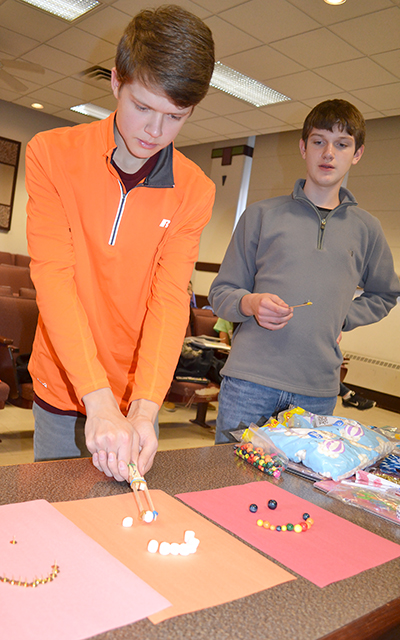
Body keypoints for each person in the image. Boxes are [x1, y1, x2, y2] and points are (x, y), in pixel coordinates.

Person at [25, 5, 215, 480]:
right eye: (142, 107)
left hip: (138, 394)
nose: (155, 131)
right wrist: (97, 399)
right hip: (63, 384)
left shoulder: (195, 191)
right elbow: (54, 279)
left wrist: (145, 408)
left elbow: (169, 301)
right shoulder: (51, 154)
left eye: (175, 117)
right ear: (116, 81)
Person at [209, 99, 400, 443]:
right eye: (318, 141)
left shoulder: (367, 229)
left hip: (317, 390)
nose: (328, 153)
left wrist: (341, 317)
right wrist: (251, 303)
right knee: (228, 475)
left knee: (300, 479)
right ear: (303, 148)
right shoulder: (260, 215)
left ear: (357, 154)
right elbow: (221, 293)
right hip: (250, 382)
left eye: (342, 144)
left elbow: (385, 293)